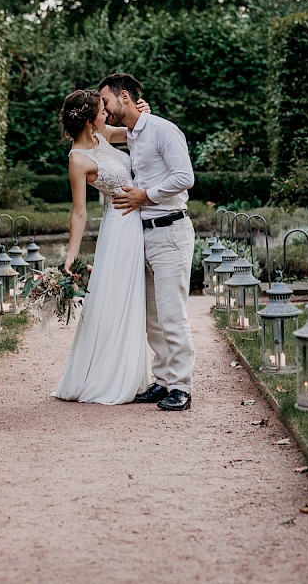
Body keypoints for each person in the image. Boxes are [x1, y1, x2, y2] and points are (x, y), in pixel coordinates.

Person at [101, 72, 196, 412]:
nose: (105, 108)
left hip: (171, 232)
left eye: (107, 101)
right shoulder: (132, 133)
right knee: (153, 317)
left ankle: (182, 387)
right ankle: (163, 380)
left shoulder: (162, 130)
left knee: (172, 314)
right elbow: (96, 127)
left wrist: (146, 195)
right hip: (145, 235)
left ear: (124, 97)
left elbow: (185, 177)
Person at [52, 89, 152, 405]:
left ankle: (129, 372)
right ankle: (108, 376)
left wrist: (144, 114)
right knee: (116, 298)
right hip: (119, 229)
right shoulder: (78, 159)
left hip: (135, 220)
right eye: (100, 110)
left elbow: (136, 131)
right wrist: (70, 257)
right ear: (87, 118)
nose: (107, 113)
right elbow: (79, 212)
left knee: (128, 299)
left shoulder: (104, 135)